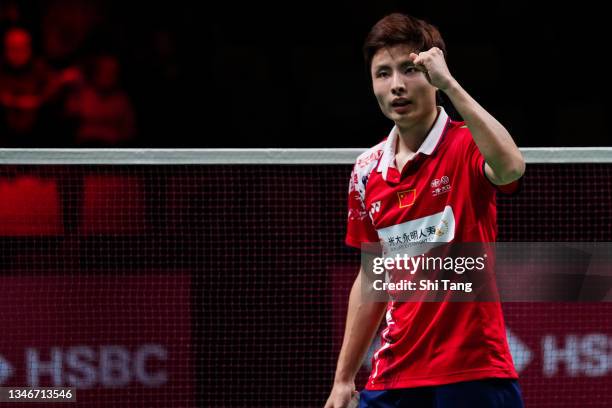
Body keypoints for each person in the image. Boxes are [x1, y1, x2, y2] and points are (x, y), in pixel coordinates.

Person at [324, 13, 525, 408]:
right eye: (383, 74)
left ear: (432, 74)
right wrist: (344, 378)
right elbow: (373, 276)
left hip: (474, 372)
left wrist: (450, 84)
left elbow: (511, 167)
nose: (396, 85)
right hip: (395, 373)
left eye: (409, 70)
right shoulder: (367, 171)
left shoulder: (465, 144)